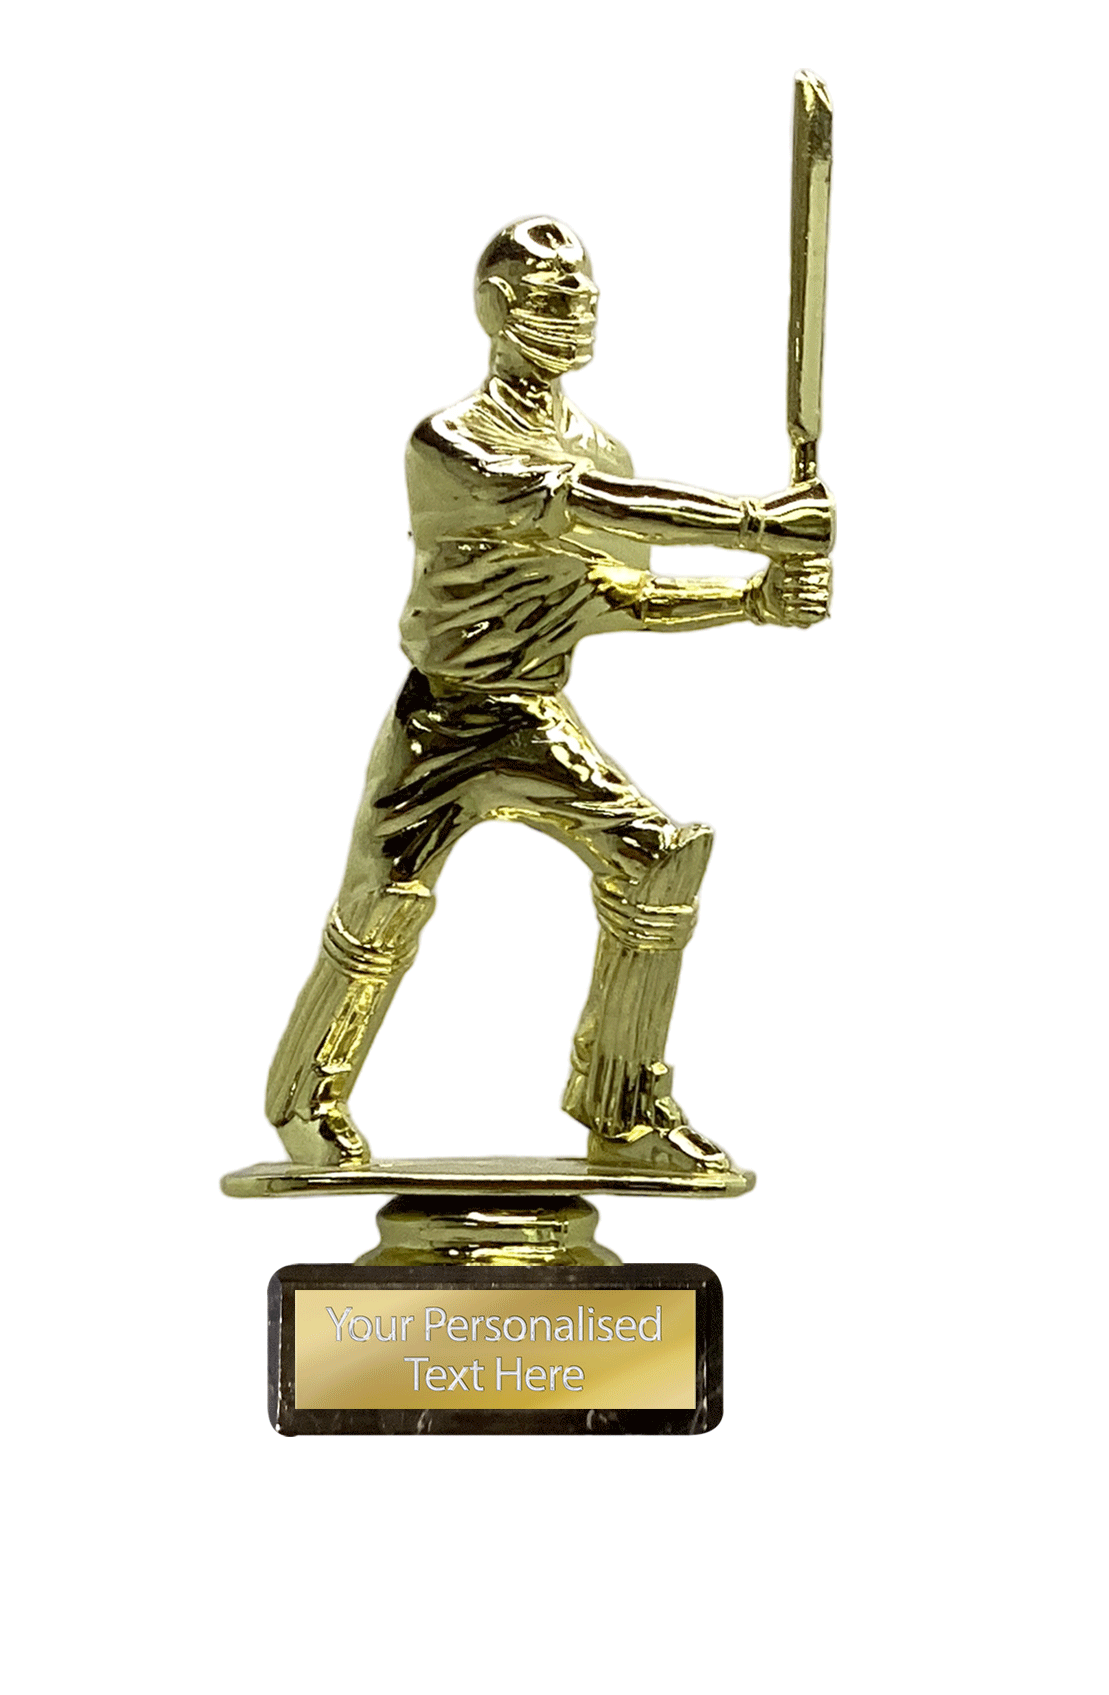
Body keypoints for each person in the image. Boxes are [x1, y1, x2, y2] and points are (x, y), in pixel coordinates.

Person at [265, 216, 833, 1171]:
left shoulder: (603, 447)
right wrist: (756, 526)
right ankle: (303, 1100)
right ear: (496, 309)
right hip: (442, 720)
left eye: (586, 299)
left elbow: (621, 594)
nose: (576, 316)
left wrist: (755, 600)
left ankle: (623, 1106)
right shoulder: (450, 443)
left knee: (655, 860)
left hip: (533, 716)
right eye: (551, 299)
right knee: (382, 905)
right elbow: (580, 503)